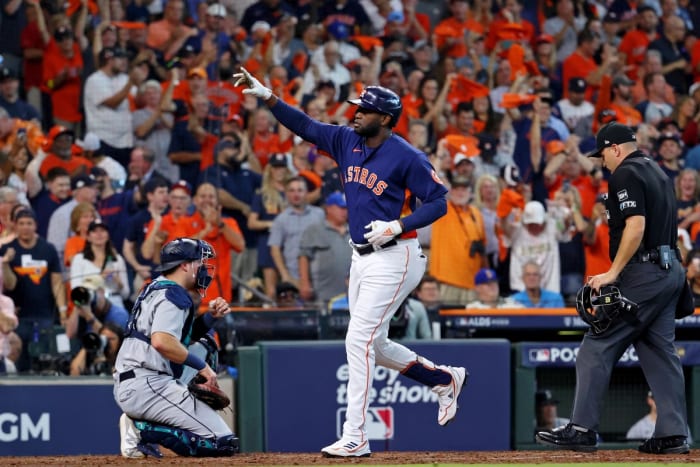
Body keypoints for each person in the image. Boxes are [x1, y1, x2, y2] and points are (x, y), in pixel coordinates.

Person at [234, 69, 466, 458]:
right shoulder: (345, 140)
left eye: (365, 109)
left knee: (357, 339)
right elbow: (305, 125)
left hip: (397, 255)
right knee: (373, 343)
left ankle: (355, 435)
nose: (356, 113)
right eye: (356, 107)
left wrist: (398, 224)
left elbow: (439, 202)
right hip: (363, 257)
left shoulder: (407, 155)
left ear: (387, 119)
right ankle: (443, 378)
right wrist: (269, 97)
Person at [536, 122, 690, 455]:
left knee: (597, 343)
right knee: (659, 350)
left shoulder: (625, 173)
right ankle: (674, 432)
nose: (602, 160)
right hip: (670, 270)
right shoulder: (658, 171)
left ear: (616, 148)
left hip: (644, 273)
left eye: (603, 153)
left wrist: (612, 273)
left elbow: (636, 226)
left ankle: (581, 428)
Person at [114, 238, 239, 458]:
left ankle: (146, 423)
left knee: (206, 342)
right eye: (200, 262)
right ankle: (140, 430)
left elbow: (178, 339)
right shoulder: (174, 294)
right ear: (184, 265)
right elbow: (162, 341)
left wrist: (210, 317)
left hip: (139, 380)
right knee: (222, 444)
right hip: (148, 383)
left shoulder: (156, 286)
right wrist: (203, 368)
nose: (204, 268)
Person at [0, 208, 66, 372]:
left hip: (44, 313)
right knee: (19, 359)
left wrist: (63, 312)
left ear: (35, 225)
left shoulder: (47, 249)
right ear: (15, 226)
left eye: (29, 223)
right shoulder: (7, 249)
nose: (25, 227)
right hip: (18, 315)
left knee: (45, 359)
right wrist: (6, 262)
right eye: (21, 223)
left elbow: (57, 281)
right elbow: (9, 285)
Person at [297, 192, 352, 305]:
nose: (344, 211)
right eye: (341, 208)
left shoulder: (354, 231)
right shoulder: (314, 230)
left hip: (352, 295)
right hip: (323, 295)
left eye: (346, 208)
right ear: (329, 208)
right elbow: (303, 256)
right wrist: (304, 283)